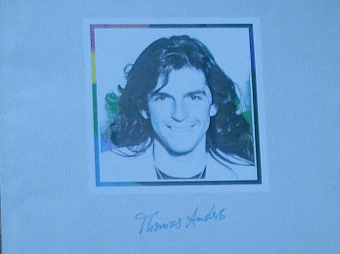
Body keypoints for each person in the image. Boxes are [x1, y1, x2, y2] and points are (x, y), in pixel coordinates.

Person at [102, 35, 255, 182]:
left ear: (214, 104)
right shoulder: (107, 171)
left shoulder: (246, 175)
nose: (179, 114)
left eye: (194, 97)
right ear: (143, 108)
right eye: (163, 98)